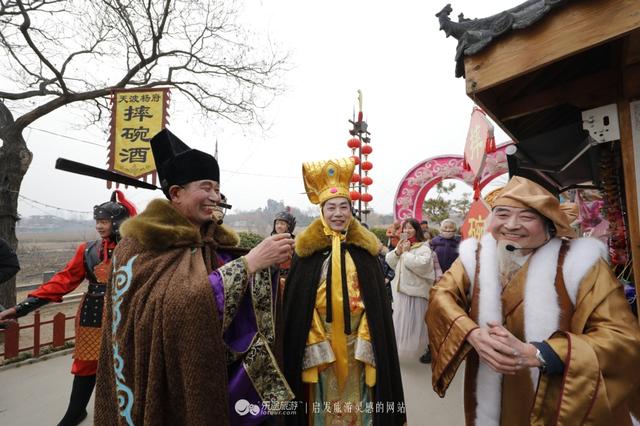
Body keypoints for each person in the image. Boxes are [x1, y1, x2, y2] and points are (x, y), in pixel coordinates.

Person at [95, 129, 295, 425]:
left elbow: (231, 306)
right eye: (206, 188)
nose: (215, 197)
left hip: (218, 381)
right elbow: (175, 309)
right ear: (176, 193)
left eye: (217, 188)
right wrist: (248, 265)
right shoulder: (140, 246)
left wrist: (261, 270)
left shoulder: (213, 241)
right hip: (163, 382)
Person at [426, 176, 640, 425]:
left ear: (550, 226)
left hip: (557, 395)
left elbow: (621, 337)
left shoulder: (581, 264)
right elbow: (441, 295)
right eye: (502, 214)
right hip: (489, 388)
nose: (512, 225)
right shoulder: (475, 258)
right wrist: (471, 333)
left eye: (527, 217)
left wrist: (541, 353)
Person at [283, 157, 406, 425]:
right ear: (321, 211)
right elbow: (298, 304)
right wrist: (316, 336)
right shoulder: (307, 254)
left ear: (351, 211)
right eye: (331, 208)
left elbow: (376, 304)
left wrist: (365, 332)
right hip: (318, 343)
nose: (338, 213)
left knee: (361, 401)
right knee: (321, 403)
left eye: (343, 207)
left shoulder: (364, 252)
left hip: (360, 343)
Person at [0, 190, 136, 426]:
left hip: (126, 313)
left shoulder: (138, 250)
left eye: (104, 222)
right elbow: (62, 281)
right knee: (85, 365)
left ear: (119, 223)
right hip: (92, 313)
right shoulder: (88, 250)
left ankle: (126, 414)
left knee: (125, 364)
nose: (99, 226)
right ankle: (75, 412)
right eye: (97, 222)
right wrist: (22, 308)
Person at [385, 218, 436, 364]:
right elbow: (390, 261)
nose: (406, 231)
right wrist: (398, 252)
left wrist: (406, 254)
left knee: (419, 325)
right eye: (404, 228)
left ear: (417, 230)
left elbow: (423, 266)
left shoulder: (423, 248)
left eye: (410, 228)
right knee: (401, 323)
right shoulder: (403, 245)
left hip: (416, 293)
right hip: (401, 292)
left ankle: (426, 350)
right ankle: (399, 353)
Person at [271, 209, 297, 299]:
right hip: (272, 279)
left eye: (282, 224)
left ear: (288, 227)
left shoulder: (293, 243)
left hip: (287, 280)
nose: (279, 226)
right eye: (277, 223)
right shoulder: (270, 241)